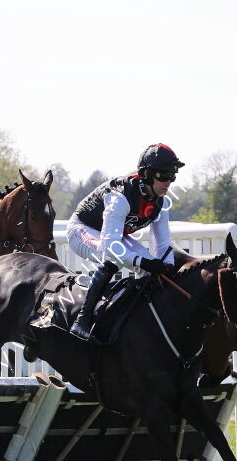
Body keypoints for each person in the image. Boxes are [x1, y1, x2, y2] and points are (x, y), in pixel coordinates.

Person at [65, 143, 183, 340]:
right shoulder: (120, 196)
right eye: (163, 176)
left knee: (151, 269)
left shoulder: (161, 202)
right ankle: (82, 320)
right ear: (146, 174)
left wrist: (167, 268)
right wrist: (143, 262)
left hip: (114, 235)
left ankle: (142, 320)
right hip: (82, 229)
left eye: (172, 176)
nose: (168, 182)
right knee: (113, 258)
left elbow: (162, 245)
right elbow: (110, 247)